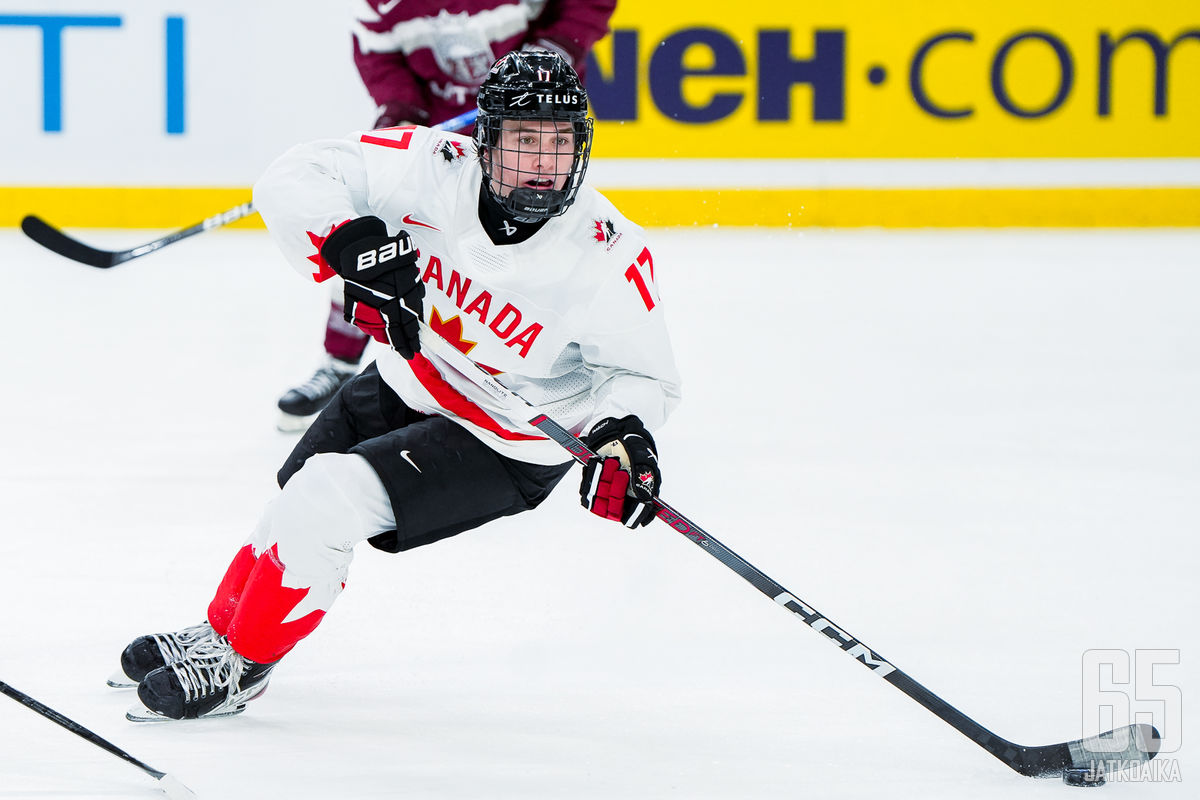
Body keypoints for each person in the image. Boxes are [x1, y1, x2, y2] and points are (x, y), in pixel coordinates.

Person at [118, 51, 681, 721]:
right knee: (295, 494)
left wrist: (623, 435)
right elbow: (291, 177)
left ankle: (243, 663)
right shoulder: (428, 166)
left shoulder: (607, 252)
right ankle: (224, 628)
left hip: (506, 441)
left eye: (558, 145)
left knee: (326, 501)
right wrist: (348, 238)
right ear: (484, 140)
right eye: (523, 141)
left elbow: (643, 376)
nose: (540, 164)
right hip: (409, 379)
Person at [275, 0, 618, 431]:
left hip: (531, 129)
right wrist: (403, 109)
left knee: (530, 247)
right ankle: (341, 362)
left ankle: (558, 381)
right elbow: (376, 49)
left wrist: (550, 55)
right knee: (372, 234)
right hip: (443, 137)